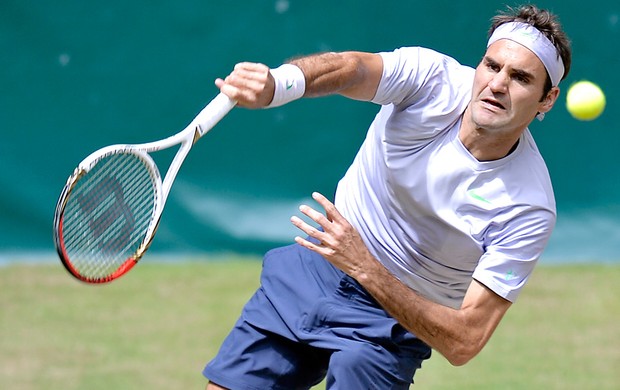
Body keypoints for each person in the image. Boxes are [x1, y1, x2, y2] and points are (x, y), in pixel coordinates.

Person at [204, 4, 572, 389]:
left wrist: (366, 267)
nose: (497, 85)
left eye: (520, 78)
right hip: (317, 268)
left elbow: (466, 341)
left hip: (393, 321)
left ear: (547, 99)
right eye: (492, 66)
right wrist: (279, 86)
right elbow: (351, 67)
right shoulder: (432, 79)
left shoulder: (528, 207)